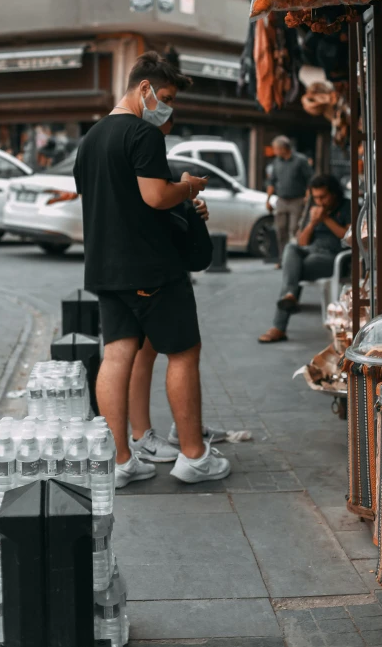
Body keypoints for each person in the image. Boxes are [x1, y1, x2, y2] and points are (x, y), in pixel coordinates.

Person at [74, 51, 231, 488]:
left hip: (105, 268)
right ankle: (195, 456)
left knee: (116, 354)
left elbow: (110, 200)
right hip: (151, 269)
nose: (167, 106)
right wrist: (188, 187)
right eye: (165, 96)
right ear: (143, 89)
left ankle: (121, 460)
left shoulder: (89, 140)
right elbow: (155, 197)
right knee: (183, 352)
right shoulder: (141, 134)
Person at [259, 174, 351, 343]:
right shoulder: (314, 209)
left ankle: (279, 325)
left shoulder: (348, 207)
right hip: (310, 250)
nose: (319, 201)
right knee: (291, 248)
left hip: (334, 256)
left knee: (293, 270)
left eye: (323, 197)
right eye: (315, 197)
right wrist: (313, 223)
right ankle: (289, 296)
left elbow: (349, 238)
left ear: (334, 194)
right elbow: (302, 242)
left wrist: (325, 219)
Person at [266, 136, 311, 262]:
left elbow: (310, 180)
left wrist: (307, 196)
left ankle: (296, 258)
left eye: (275, 148)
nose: (274, 151)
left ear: (283, 148)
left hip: (297, 199)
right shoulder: (276, 162)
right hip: (281, 200)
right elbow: (271, 182)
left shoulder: (300, 160)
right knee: (280, 230)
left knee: (295, 229)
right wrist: (268, 200)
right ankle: (282, 258)